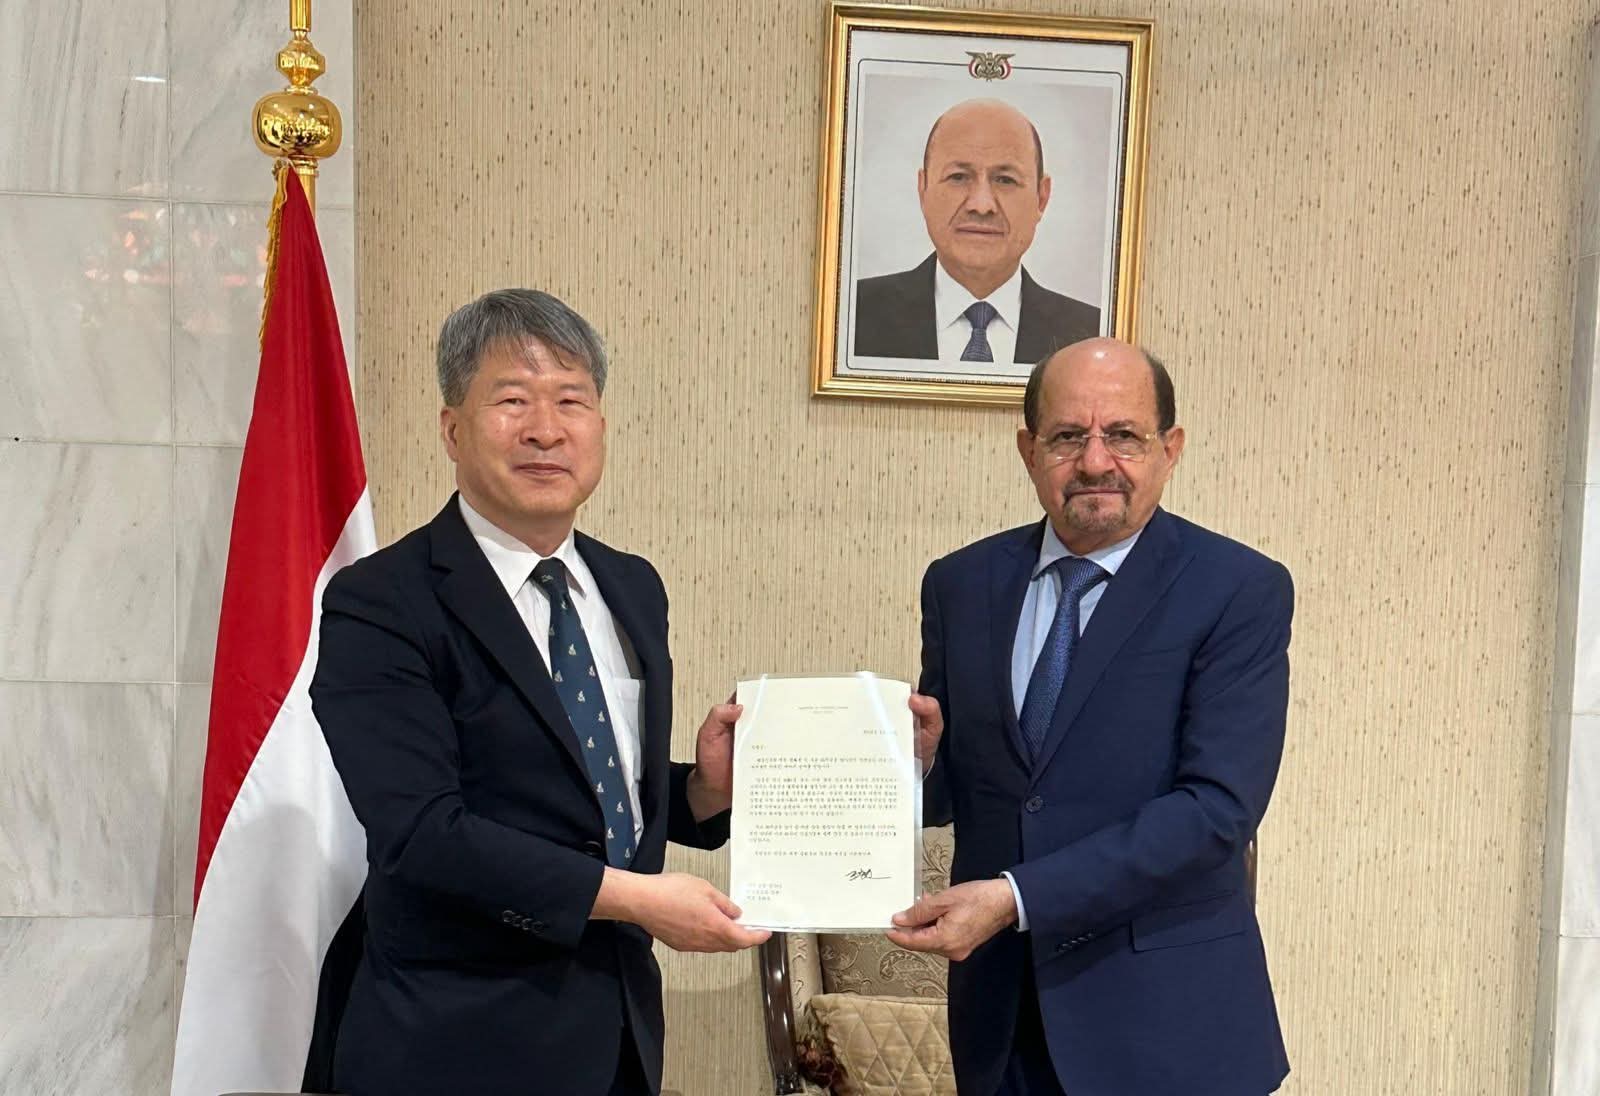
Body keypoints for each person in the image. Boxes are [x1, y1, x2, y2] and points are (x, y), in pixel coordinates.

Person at [309, 289, 770, 1096]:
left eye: (571, 400)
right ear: (453, 428)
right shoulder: (381, 600)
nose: (545, 430)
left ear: (601, 425)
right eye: (512, 401)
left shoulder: (631, 585)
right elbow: (422, 831)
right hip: (454, 1043)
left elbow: (580, 787)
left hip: (618, 1036)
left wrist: (702, 790)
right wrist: (639, 900)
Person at [888, 338, 1293, 1095]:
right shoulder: (961, 583)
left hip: (1167, 1031)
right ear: (1028, 450)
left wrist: (1016, 898)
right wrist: (919, 760)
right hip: (1002, 1026)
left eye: (1124, 436)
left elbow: (1216, 811)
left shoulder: (1238, 589)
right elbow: (961, 794)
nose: (1095, 462)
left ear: (1170, 449)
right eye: (1068, 436)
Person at [853, 98, 1101, 365]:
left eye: (1005, 180)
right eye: (958, 177)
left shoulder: (1091, 337)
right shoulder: (850, 315)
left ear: (1041, 198)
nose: (981, 206)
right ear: (923, 189)